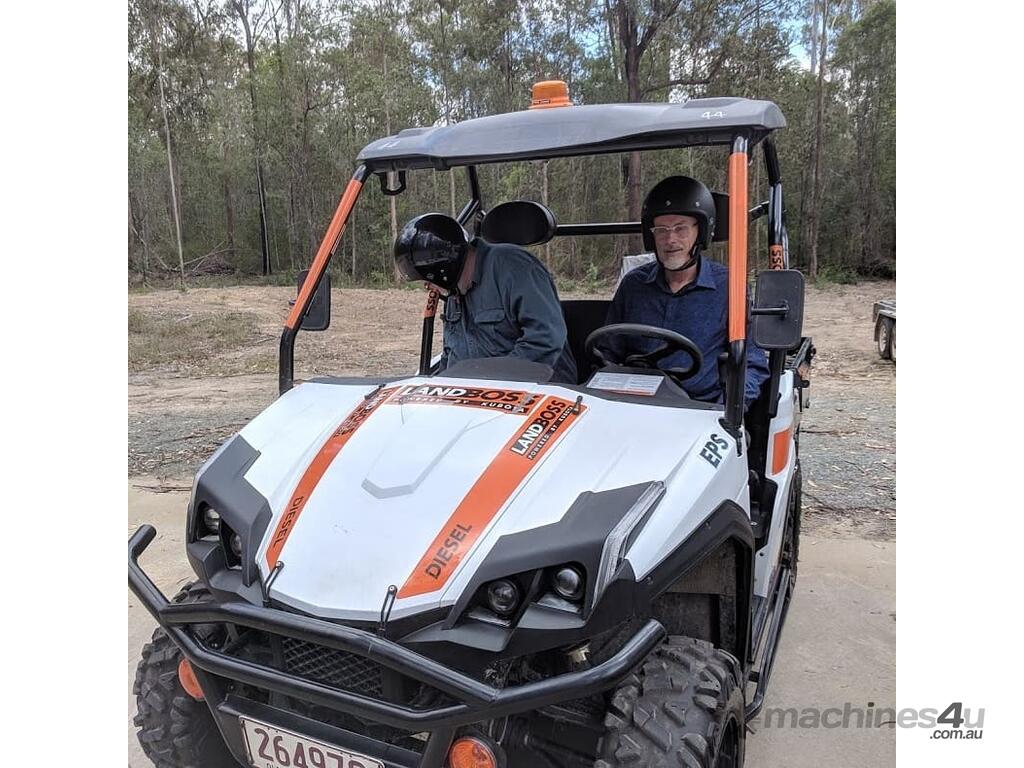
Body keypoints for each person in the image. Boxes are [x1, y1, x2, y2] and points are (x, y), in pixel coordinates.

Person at [604, 176, 769, 409]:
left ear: (700, 232)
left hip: (698, 409)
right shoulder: (633, 285)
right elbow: (608, 352)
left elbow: (752, 364)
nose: (670, 239)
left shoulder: (729, 287)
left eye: (680, 228)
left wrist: (726, 410)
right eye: (661, 230)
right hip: (634, 403)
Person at [394, 213, 577, 383]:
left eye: (427, 281)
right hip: (477, 392)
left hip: (538, 389)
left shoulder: (514, 268)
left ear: (442, 268)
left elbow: (545, 340)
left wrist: (495, 381)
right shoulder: (455, 292)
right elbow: (451, 354)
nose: (428, 288)